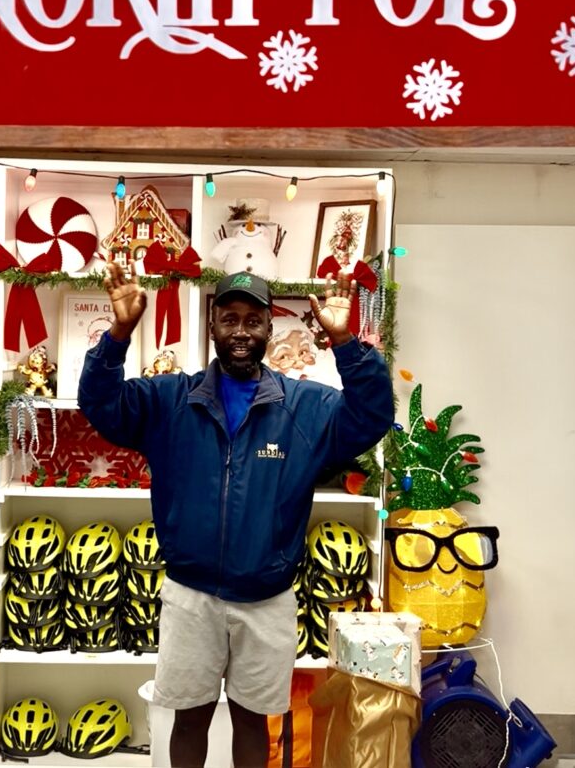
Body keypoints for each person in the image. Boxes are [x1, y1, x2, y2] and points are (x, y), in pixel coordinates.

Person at [78, 265, 394, 768]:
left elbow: (372, 417)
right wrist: (118, 333)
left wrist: (345, 342)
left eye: (253, 320)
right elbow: (99, 403)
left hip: (267, 599)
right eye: (230, 319)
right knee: (189, 716)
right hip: (190, 596)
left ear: (270, 327)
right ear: (213, 325)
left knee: (252, 720)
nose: (241, 332)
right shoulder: (170, 401)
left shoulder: (304, 407)